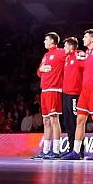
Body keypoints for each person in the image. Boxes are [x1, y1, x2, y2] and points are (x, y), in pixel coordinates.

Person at [73, 29, 93, 160]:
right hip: (84, 91)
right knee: (80, 120)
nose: (83, 39)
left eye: (85, 37)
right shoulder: (88, 52)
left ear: (92, 39)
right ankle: (76, 151)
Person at [32, 32, 65, 160]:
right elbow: (39, 72)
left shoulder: (60, 52)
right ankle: (46, 151)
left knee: (54, 119)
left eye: (46, 39)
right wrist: (40, 70)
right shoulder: (46, 55)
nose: (44, 41)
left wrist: (80, 53)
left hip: (54, 90)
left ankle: (56, 151)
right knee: (45, 121)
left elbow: (72, 52)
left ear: (52, 41)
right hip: (44, 91)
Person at [60, 37, 85, 159]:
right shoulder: (67, 58)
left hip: (75, 94)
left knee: (76, 123)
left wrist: (81, 54)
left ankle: (79, 150)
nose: (63, 48)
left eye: (65, 46)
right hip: (66, 94)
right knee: (68, 123)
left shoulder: (78, 55)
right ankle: (71, 149)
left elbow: (86, 65)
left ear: (71, 47)